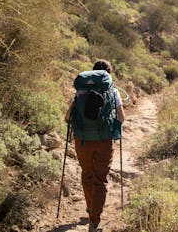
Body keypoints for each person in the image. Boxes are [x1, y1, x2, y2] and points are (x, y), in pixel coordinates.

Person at [65, 59, 125, 232]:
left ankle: (91, 209)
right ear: (108, 75)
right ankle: (94, 221)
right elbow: (122, 118)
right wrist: (113, 129)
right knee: (100, 180)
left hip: (82, 140)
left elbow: (68, 117)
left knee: (87, 175)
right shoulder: (112, 91)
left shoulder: (81, 92)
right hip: (103, 141)